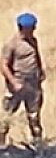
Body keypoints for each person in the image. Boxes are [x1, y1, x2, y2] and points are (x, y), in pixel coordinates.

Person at [1, 13, 45, 147]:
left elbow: (36, 56)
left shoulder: (33, 41)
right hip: (17, 82)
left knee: (34, 115)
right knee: (7, 115)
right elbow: (3, 65)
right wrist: (13, 82)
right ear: (22, 28)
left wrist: (41, 70)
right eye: (31, 27)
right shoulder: (12, 44)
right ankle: (1, 144)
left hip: (33, 82)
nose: (34, 29)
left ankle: (37, 143)